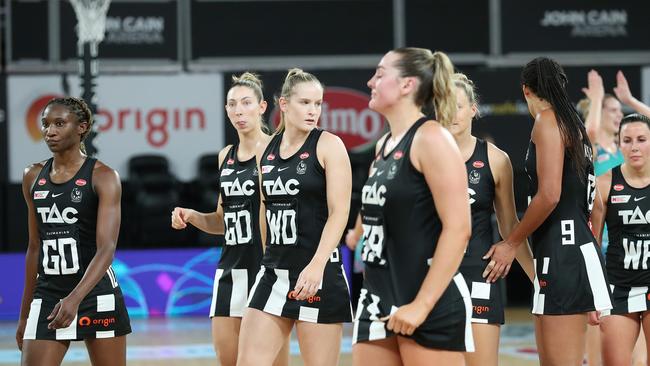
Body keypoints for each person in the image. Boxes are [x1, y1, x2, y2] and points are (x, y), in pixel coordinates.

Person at [352, 47, 473, 366]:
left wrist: (421, 305)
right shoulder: (383, 145)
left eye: (380, 74)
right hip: (377, 297)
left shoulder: (432, 138)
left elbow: (459, 229)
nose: (370, 82)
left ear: (407, 85)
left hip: (425, 300)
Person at [493, 57, 612, 365]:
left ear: (526, 90)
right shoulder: (577, 127)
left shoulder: (548, 120)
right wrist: (590, 258)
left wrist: (511, 242)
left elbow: (549, 195)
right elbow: (597, 205)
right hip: (570, 254)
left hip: (562, 255)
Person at [236, 68, 353, 366]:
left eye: (318, 103)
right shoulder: (268, 150)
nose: (313, 111)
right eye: (305, 103)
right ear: (284, 104)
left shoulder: (329, 144)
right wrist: (267, 257)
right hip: (274, 273)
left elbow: (340, 212)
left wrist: (316, 265)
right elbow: (265, 208)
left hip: (317, 273)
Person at [171, 72, 288, 366]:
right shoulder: (226, 155)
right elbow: (223, 220)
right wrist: (192, 215)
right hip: (230, 270)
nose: (238, 110)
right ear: (226, 110)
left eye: (246, 103)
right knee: (228, 360)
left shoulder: (278, 150)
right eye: (232, 104)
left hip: (266, 269)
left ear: (262, 107)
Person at [15, 97, 131, 366]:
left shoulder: (103, 176)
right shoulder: (32, 176)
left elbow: (107, 249)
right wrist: (24, 315)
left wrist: (75, 299)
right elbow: (34, 247)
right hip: (48, 294)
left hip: (96, 294)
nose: (49, 131)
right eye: (45, 124)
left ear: (82, 127)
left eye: (59, 123)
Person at [449, 73, 535, 366]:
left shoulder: (495, 159)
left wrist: (539, 281)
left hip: (477, 273)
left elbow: (510, 226)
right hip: (428, 275)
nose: (451, 113)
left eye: (458, 105)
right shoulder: (419, 155)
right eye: (444, 105)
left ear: (473, 108)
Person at [591, 113, 650, 366]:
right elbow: (592, 244)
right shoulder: (604, 183)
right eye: (627, 140)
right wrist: (592, 294)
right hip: (618, 287)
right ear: (619, 143)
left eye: (641, 139)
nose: (634, 146)